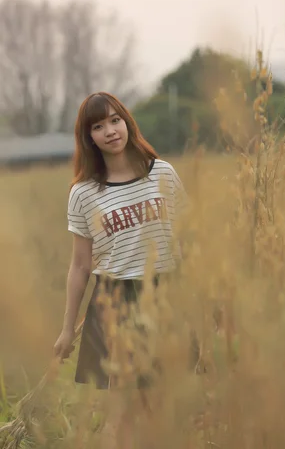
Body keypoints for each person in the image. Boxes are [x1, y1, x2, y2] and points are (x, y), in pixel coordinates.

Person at [53, 91, 188, 448]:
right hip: (116, 302)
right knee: (122, 408)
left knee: (160, 404)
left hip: (166, 293)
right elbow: (80, 265)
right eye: (98, 126)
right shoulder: (83, 193)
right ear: (89, 137)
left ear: (127, 122)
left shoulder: (163, 173)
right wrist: (67, 329)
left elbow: (188, 239)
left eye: (115, 120)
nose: (110, 130)